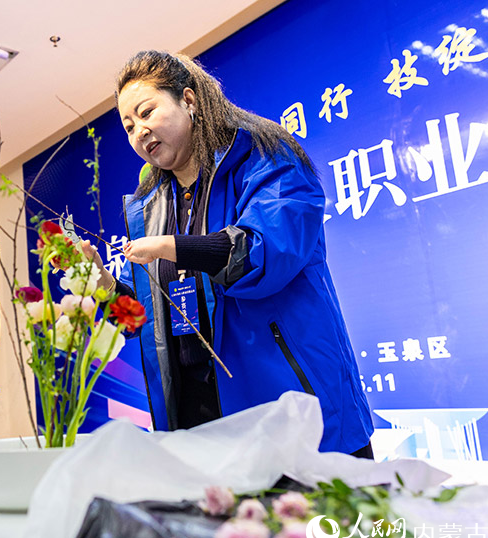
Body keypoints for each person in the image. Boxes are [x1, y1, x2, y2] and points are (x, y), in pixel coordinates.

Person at [85, 51, 373, 457]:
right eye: (129, 127)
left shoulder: (265, 154)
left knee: (322, 522)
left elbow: (267, 252)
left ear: (188, 99)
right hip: (198, 419)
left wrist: (173, 247)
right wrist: (105, 284)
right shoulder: (153, 203)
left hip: (290, 408)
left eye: (147, 112)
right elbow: (151, 315)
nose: (139, 132)